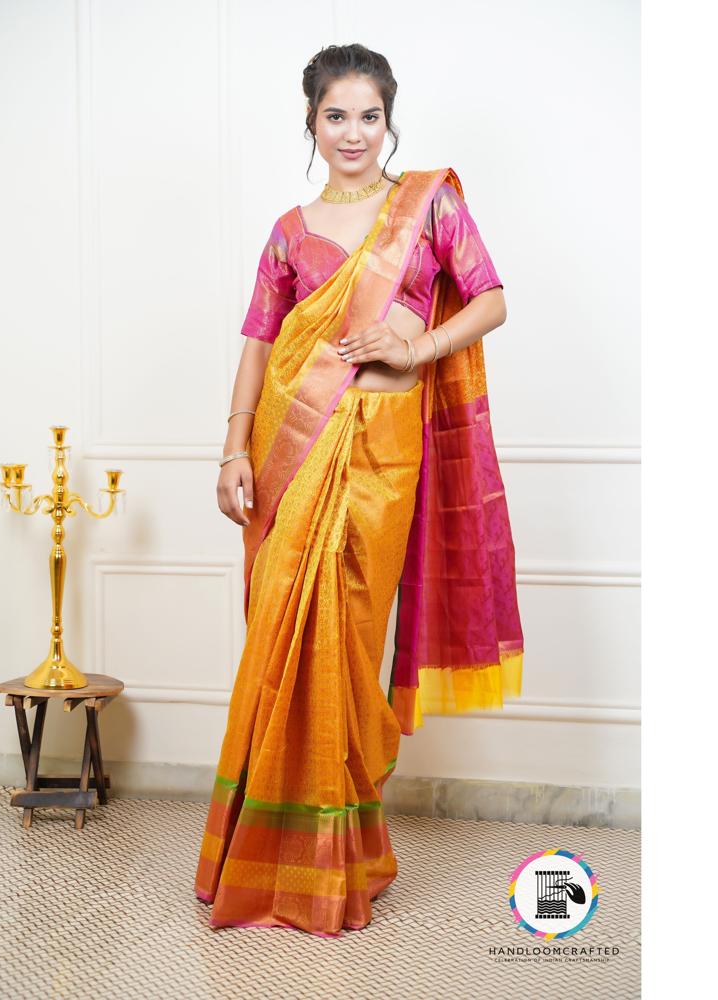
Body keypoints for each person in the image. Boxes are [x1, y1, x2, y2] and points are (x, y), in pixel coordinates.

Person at [195, 42, 524, 938]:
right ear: (310, 122)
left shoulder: (428, 206)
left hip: (384, 452)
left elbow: (489, 299)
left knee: (347, 641)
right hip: (290, 455)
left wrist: (413, 350)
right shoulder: (288, 231)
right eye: (334, 116)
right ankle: (273, 858)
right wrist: (232, 451)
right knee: (285, 637)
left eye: (368, 115)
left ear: (390, 119)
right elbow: (260, 346)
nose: (353, 133)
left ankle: (342, 850)